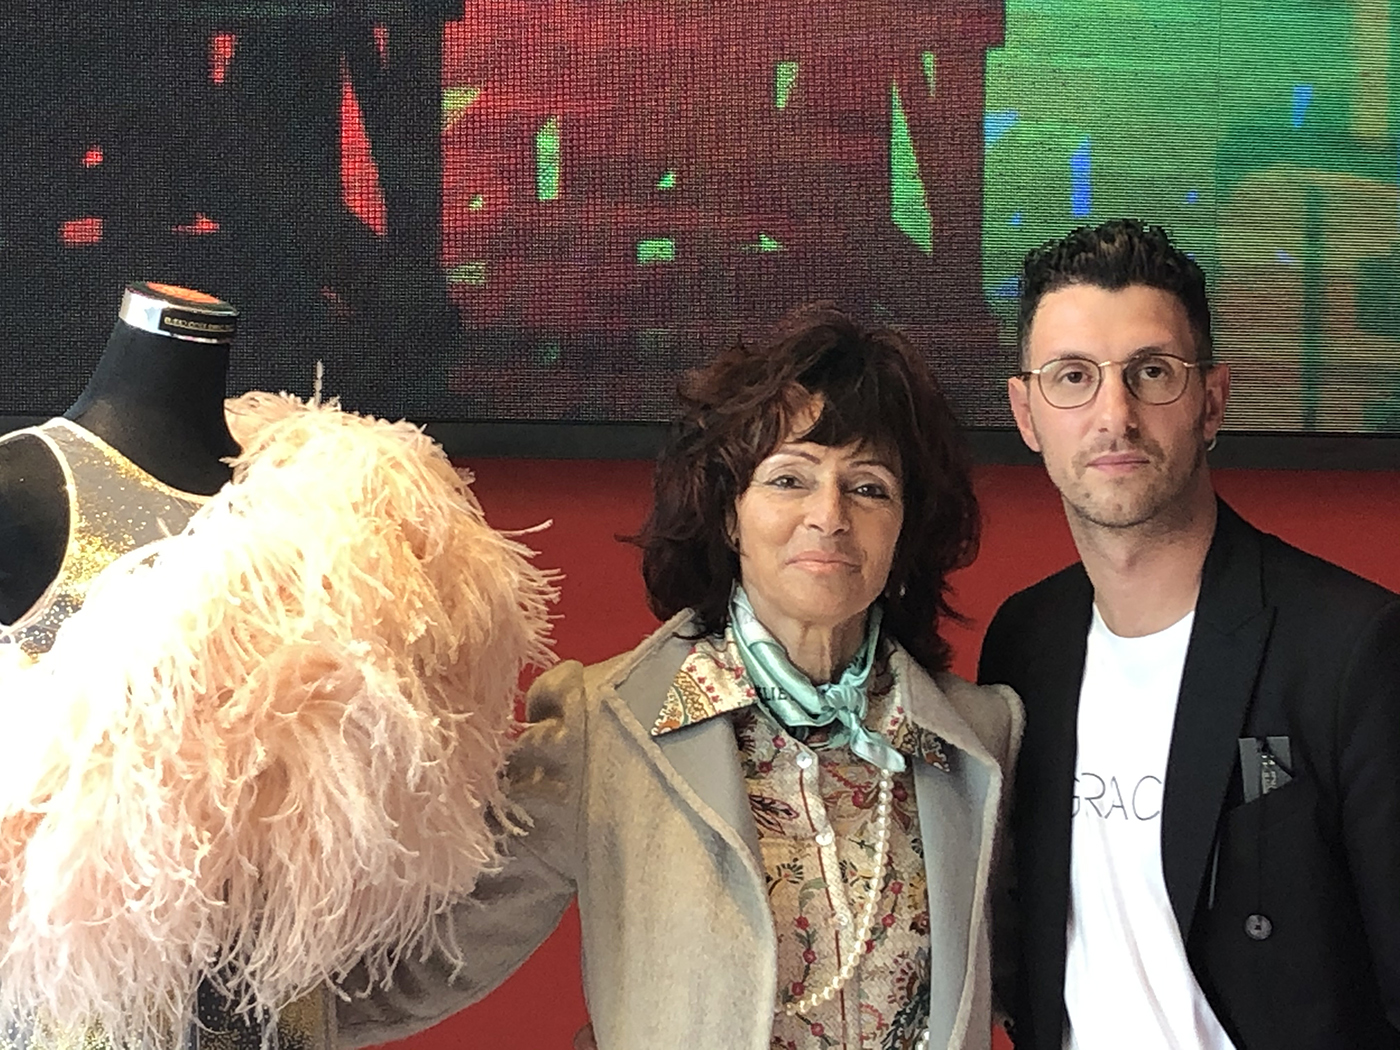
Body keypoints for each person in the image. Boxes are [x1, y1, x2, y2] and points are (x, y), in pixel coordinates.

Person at [335, 303, 1022, 1050]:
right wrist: (248, 1003)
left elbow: (1043, 974)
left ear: (904, 529)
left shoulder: (980, 740)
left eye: (869, 488)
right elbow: (426, 961)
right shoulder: (603, 729)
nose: (829, 515)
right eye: (789, 479)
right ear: (729, 516)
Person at [978, 219, 1400, 1049]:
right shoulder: (1025, 644)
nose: (1115, 415)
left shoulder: (1353, 650)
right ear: (1026, 413)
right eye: (1073, 377)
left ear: (1212, 400)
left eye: (1152, 373)